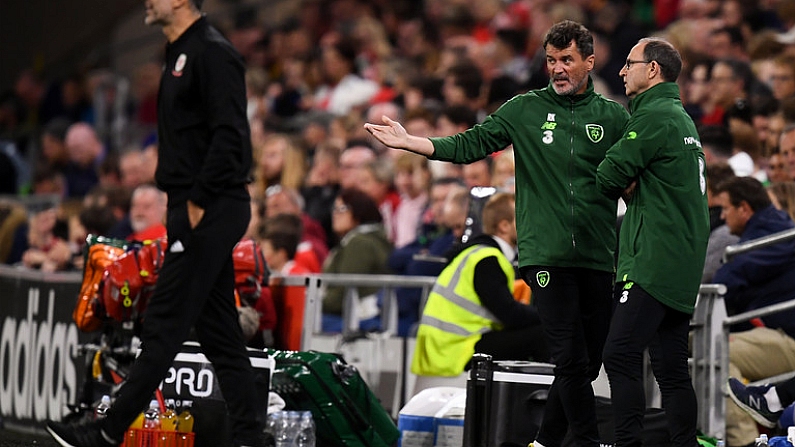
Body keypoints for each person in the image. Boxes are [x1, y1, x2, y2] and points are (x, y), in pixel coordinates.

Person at [366, 20, 630, 447]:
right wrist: (416, 142)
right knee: (567, 354)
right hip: (546, 257)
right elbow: (472, 143)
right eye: (551, 60)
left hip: (599, 256)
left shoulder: (614, 117)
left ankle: (545, 441)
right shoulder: (524, 109)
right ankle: (585, 439)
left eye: (567, 60)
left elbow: (633, 175)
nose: (558, 68)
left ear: (589, 62)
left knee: (589, 361)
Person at [46, 0, 266, 446]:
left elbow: (232, 135)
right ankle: (249, 438)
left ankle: (108, 430)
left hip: (210, 205)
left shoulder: (213, 51)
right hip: (193, 204)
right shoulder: (179, 51)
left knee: (164, 320)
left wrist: (199, 202)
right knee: (219, 332)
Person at [595, 37, 709, 447]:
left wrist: (625, 182)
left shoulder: (655, 116)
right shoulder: (680, 119)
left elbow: (607, 176)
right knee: (672, 368)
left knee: (620, 354)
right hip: (679, 263)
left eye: (630, 63)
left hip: (652, 259)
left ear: (653, 70)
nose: (622, 71)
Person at [411, 192, 548, 377]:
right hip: (457, 348)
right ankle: (549, 396)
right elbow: (510, 314)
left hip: (449, 345)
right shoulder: (487, 259)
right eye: (522, 218)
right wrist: (550, 315)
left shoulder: (478, 254)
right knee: (543, 333)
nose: (530, 224)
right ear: (504, 226)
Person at [712, 176, 795, 446]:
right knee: (701, 347)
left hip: (787, 336)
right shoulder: (762, 232)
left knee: (717, 352)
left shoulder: (771, 233)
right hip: (776, 331)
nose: (722, 217)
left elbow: (728, 278)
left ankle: (745, 441)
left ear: (745, 208)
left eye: (725, 209)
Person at [321, 188, 393, 333]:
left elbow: (344, 290)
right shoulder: (368, 240)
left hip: (360, 316)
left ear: (359, 210)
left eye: (342, 209)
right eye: (334, 209)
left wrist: (313, 304)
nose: (335, 214)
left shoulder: (360, 243)